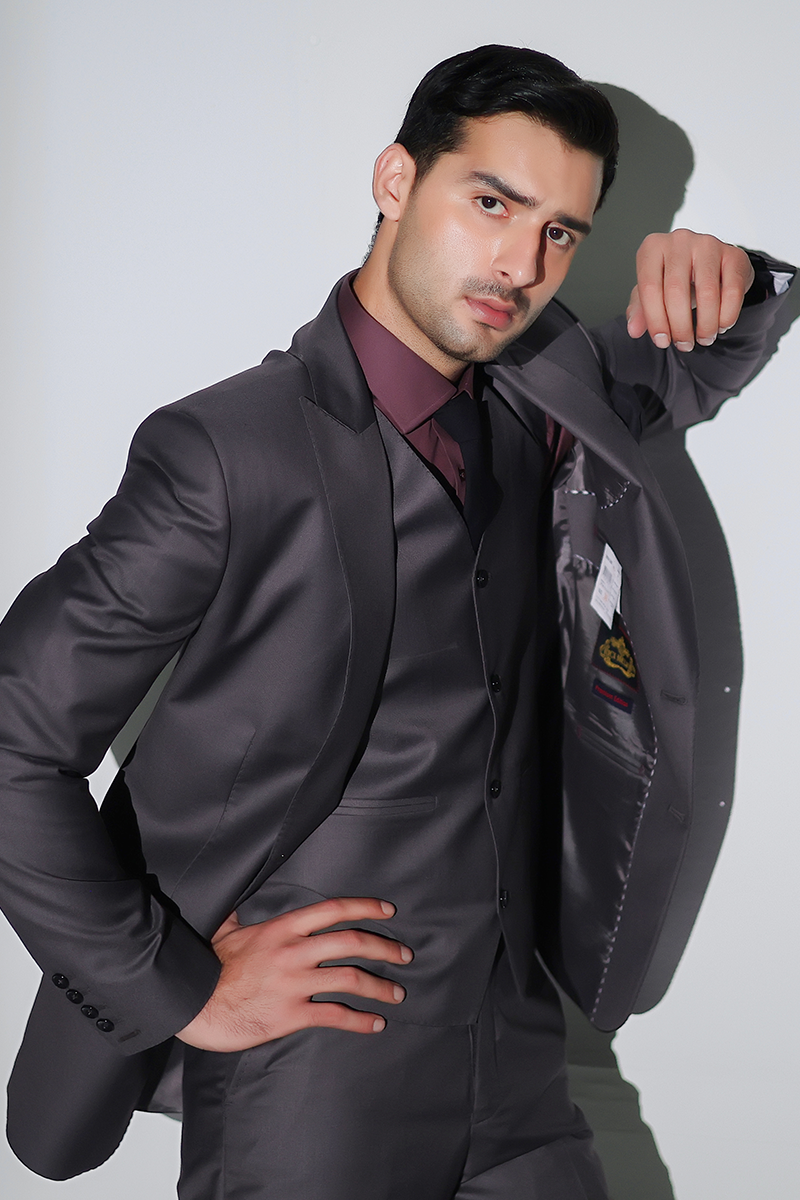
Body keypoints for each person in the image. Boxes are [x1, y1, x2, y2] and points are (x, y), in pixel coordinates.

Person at [0, 44, 793, 1200]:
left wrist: (725, 276)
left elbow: (685, 367)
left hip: (516, 1056)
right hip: (312, 1082)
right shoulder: (228, 453)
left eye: (559, 232)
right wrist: (180, 989)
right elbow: (14, 736)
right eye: (490, 203)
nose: (519, 264)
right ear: (393, 180)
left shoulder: (542, 392)